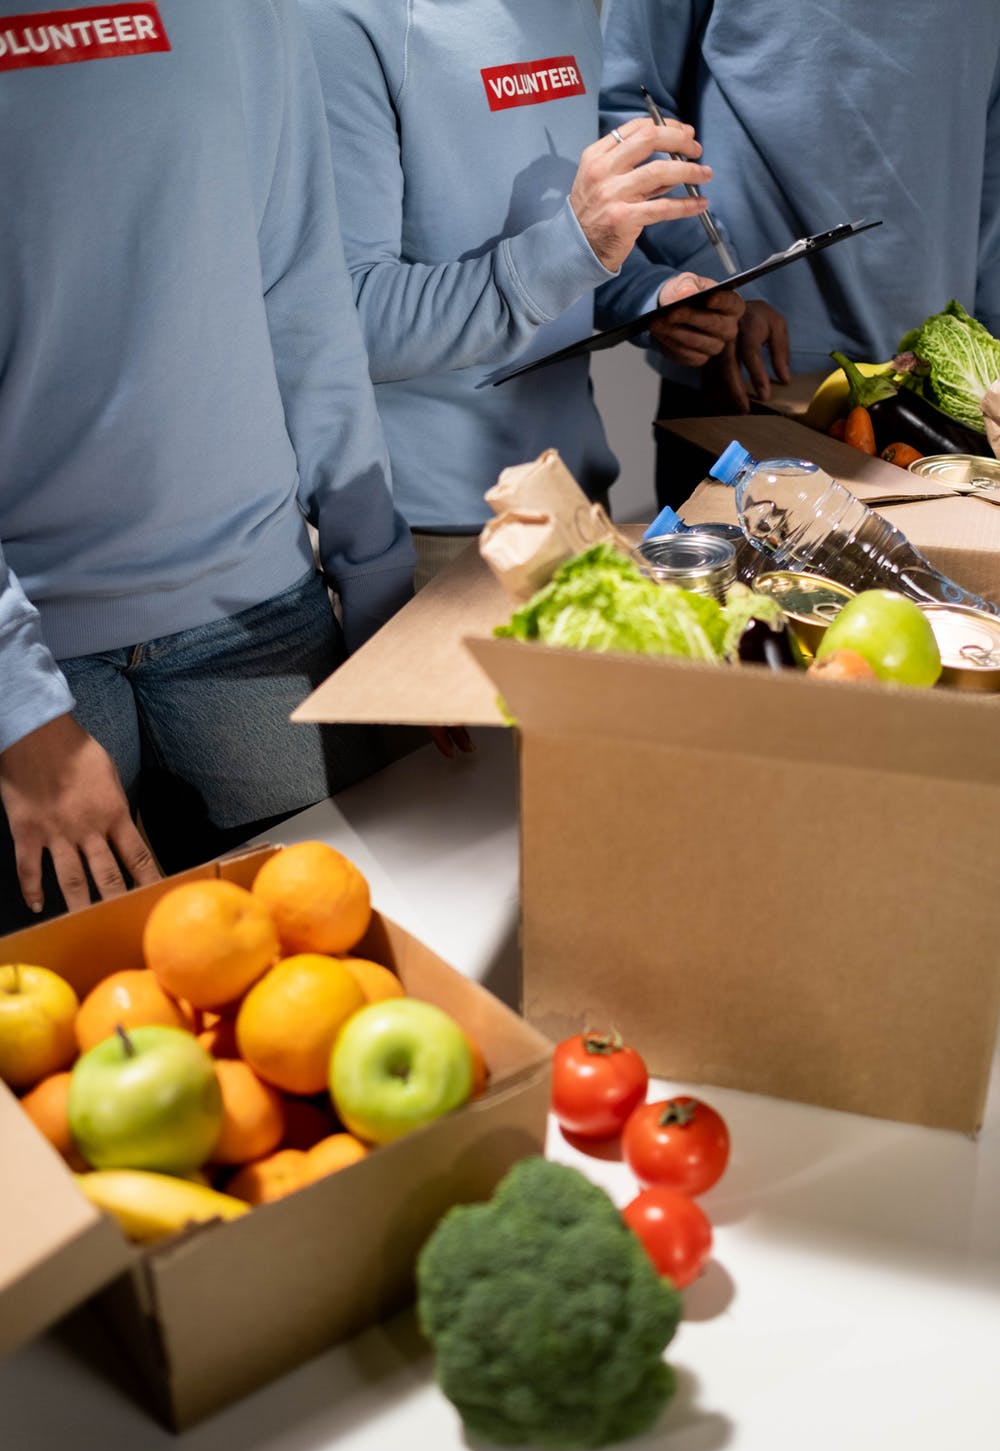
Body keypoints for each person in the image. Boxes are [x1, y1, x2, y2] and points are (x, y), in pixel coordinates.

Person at [0, 0, 417, 936]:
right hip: (32, 647)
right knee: (66, 1043)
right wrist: (12, 706)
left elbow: (300, 287)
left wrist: (377, 578)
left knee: (330, 986)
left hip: (260, 615)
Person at [296, 0, 746, 584]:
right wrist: (576, 243)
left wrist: (648, 297)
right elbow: (349, 322)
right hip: (428, 531)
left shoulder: (568, 9)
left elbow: (549, 248)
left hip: (575, 498)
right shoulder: (338, 20)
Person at [599, 0, 1000, 437]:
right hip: (756, 377)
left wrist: (988, 350)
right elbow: (626, 108)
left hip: (951, 388)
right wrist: (721, 288)